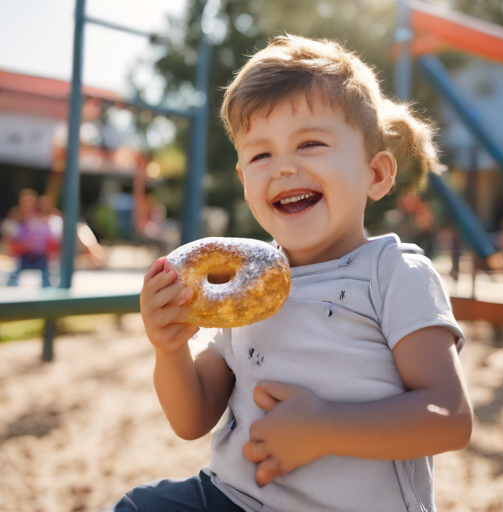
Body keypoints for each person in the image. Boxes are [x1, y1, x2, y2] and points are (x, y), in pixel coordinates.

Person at [114, 35, 472, 512]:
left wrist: (325, 428)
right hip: (230, 496)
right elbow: (193, 418)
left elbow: (449, 417)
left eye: (310, 143)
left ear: (377, 174)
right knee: (142, 506)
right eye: (261, 155)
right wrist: (169, 348)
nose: (283, 167)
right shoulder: (244, 290)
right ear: (244, 181)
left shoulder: (393, 273)